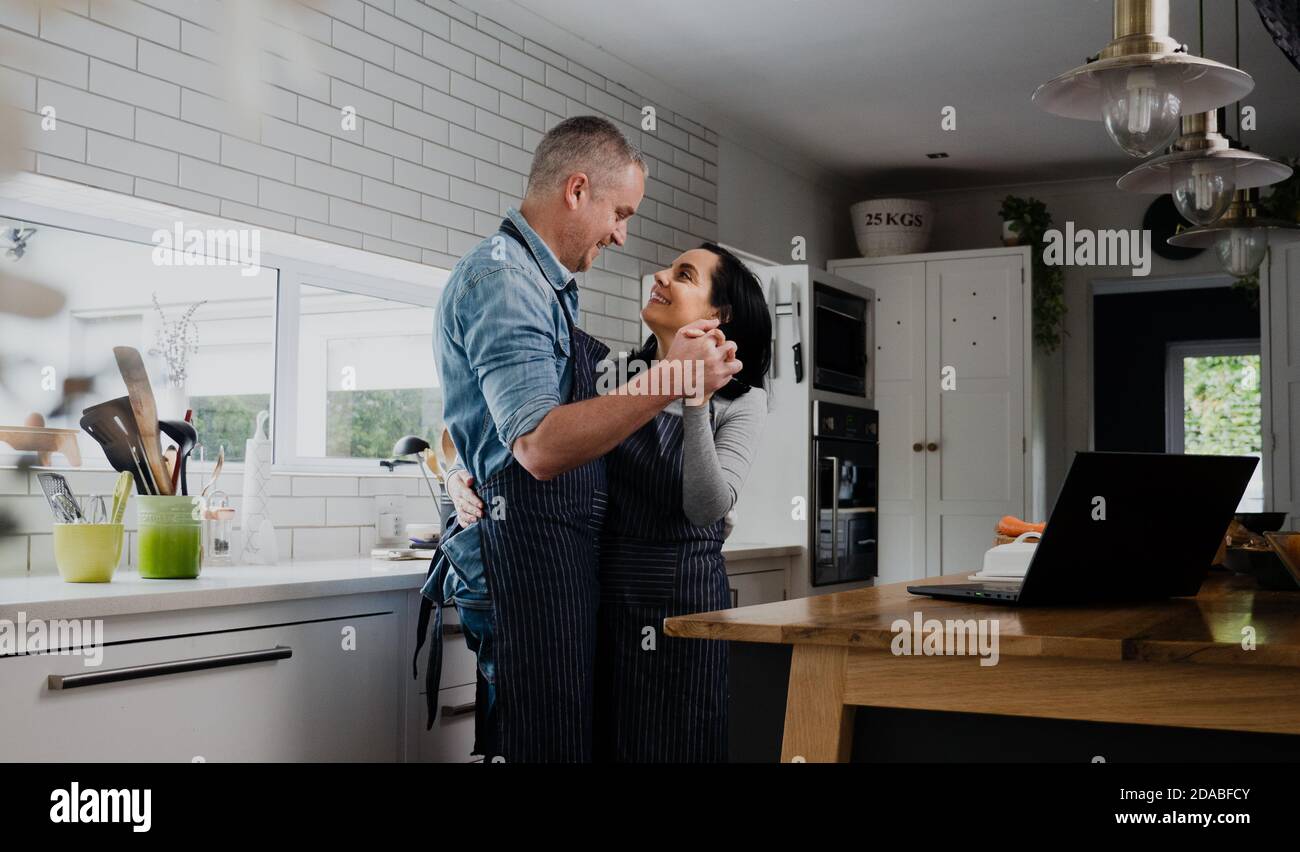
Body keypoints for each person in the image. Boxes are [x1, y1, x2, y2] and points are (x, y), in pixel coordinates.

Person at [426, 115, 740, 763]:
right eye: (619, 212)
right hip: (527, 557)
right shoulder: (505, 281)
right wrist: (674, 377)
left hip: (574, 565)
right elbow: (537, 444)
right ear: (576, 190)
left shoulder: (547, 289)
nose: (623, 235)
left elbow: (500, 415)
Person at [451, 243, 772, 763]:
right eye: (668, 268)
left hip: (684, 603)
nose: (660, 277)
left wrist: (695, 399)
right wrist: (461, 476)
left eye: (684, 274)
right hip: (599, 596)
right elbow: (507, 419)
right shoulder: (611, 375)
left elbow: (706, 506)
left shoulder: (742, 399)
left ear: (720, 315)